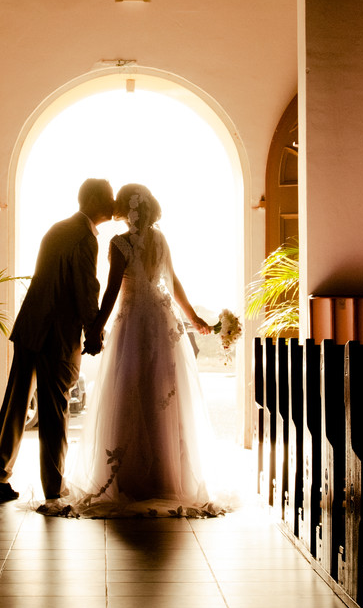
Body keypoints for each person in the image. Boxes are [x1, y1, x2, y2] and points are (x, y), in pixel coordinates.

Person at [52, 184, 235, 517]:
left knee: (130, 391)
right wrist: (193, 318)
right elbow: (173, 282)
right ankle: (166, 478)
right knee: (160, 393)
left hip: (133, 320)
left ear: (127, 209)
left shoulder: (120, 243)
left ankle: (132, 478)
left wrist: (95, 328)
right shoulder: (160, 240)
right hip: (162, 320)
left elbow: (110, 292)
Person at [0, 178, 115, 501]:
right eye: (108, 196)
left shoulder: (58, 229)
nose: (113, 203)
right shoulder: (85, 237)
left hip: (31, 325)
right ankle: (54, 487)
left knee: (16, 404)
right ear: (94, 198)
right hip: (56, 333)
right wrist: (93, 331)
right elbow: (86, 287)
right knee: (55, 410)